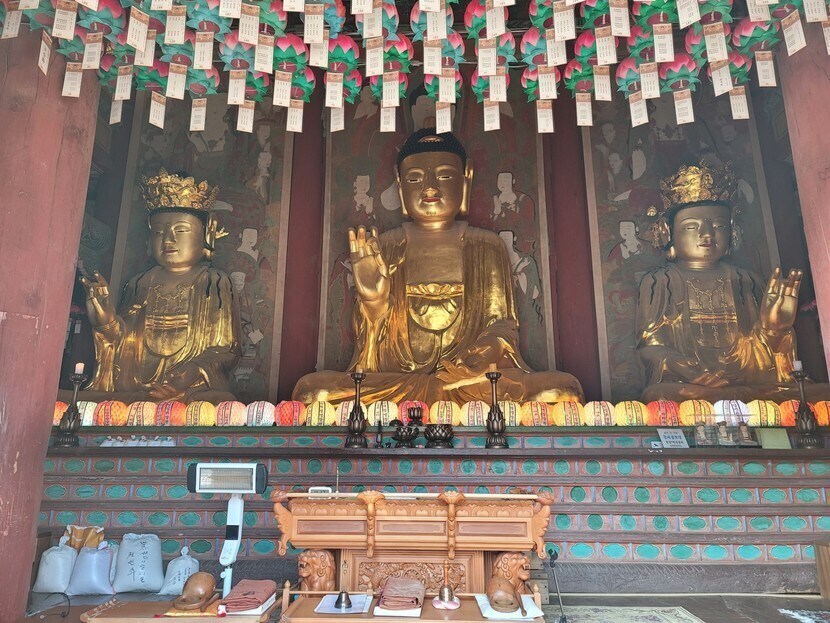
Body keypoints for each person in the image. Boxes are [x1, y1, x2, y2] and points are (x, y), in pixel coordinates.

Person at [292, 129, 583, 405]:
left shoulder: (487, 245)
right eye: (415, 178)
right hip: (398, 384)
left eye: (444, 175)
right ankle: (435, 395)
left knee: (563, 389)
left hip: (467, 383)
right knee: (311, 391)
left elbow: (502, 326)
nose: (430, 187)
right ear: (400, 184)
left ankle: (438, 394)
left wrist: (483, 353)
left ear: (466, 180)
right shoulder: (386, 247)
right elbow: (369, 358)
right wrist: (373, 302)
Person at [636, 162, 829, 402]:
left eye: (718, 225)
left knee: (821, 393)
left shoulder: (747, 281)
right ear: (669, 233)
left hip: (754, 389)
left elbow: (765, 362)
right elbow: (649, 347)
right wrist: (680, 365)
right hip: (695, 389)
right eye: (692, 226)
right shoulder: (660, 282)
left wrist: (774, 330)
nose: (707, 234)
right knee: (658, 394)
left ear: (732, 230)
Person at [68, 169, 240, 403]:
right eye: (159, 232)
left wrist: (193, 371)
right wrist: (106, 322)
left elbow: (227, 350)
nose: (168, 239)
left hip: (189, 391)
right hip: (135, 391)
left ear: (207, 234)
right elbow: (125, 343)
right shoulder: (139, 283)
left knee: (218, 402)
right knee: (83, 401)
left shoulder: (215, 282)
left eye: (181, 230)